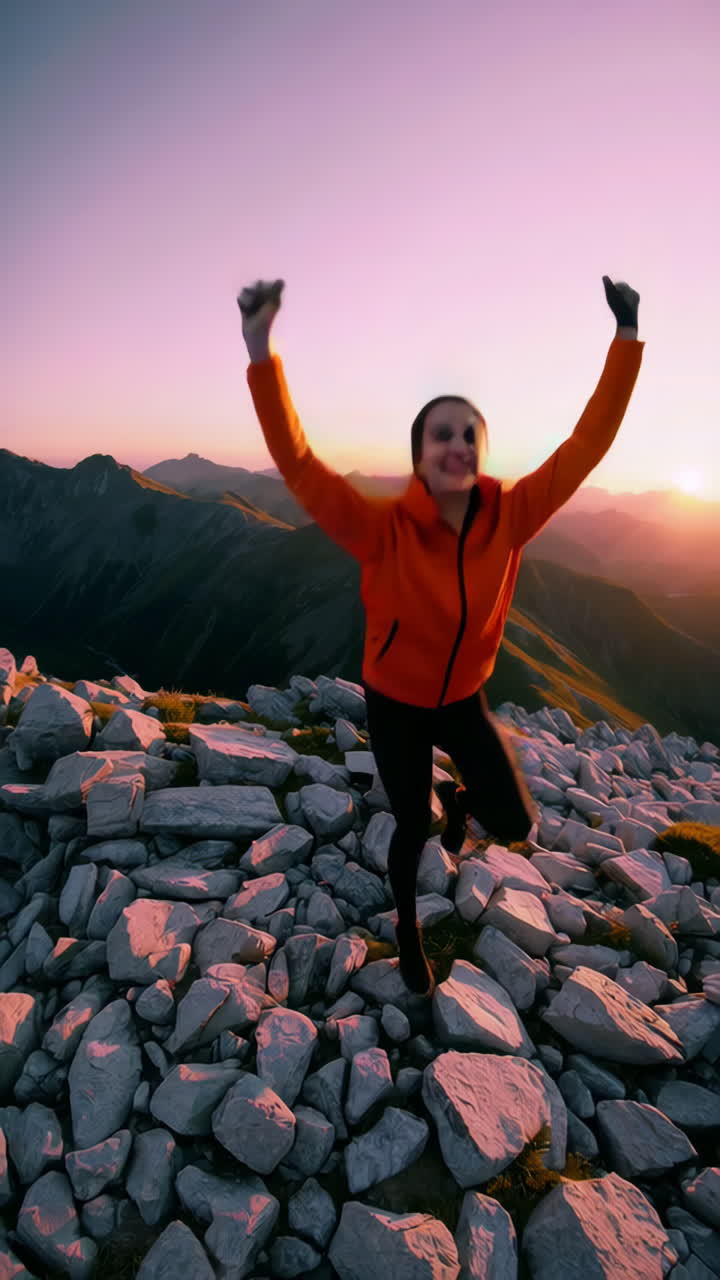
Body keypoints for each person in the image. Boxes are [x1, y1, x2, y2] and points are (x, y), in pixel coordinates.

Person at [238, 275, 644, 995]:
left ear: (480, 450)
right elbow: (299, 464)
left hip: (462, 697)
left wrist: (625, 337)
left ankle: (460, 799)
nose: (457, 443)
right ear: (420, 451)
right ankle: (408, 930)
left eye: (469, 433)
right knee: (409, 826)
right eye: (441, 432)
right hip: (394, 700)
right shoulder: (383, 530)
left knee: (515, 822)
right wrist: (259, 345)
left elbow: (587, 444)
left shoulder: (513, 516)